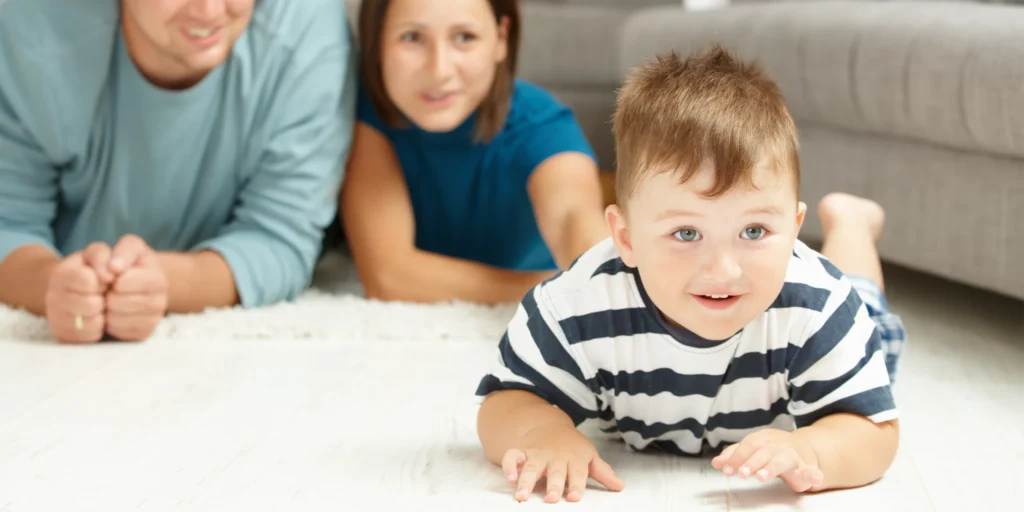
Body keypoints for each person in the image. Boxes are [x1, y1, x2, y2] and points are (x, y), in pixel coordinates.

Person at [474, 46, 905, 503]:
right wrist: (542, 431)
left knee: (867, 306)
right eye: (686, 233)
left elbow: (873, 433)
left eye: (754, 230)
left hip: (839, 336)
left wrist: (811, 448)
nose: (723, 269)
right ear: (626, 239)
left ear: (795, 231)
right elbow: (505, 402)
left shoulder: (822, 309)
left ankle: (851, 224)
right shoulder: (576, 306)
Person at [0, 0, 357, 344]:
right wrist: (55, 287)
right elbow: (9, 224)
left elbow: (280, 236)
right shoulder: (32, 28)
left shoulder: (308, 31)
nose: (209, 11)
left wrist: (163, 284)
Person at [339, 0, 609, 305]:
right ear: (377, 44)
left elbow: (574, 221)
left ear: (501, 38)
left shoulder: (543, 125)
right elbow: (389, 277)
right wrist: (558, 291)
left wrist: (598, 282)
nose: (439, 71)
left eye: (464, 37)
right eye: (412, 37)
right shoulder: (366, 118)